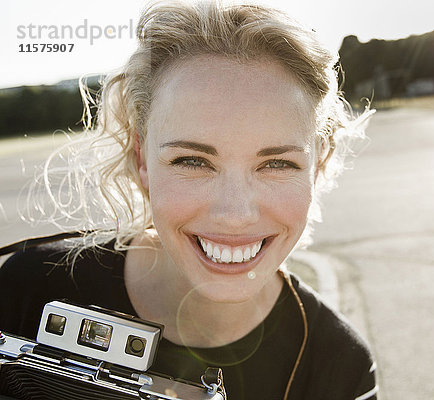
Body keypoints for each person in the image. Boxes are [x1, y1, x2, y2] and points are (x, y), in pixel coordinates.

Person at [0, 1, 377, 399]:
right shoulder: (25, 289)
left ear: (319, 165)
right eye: (193, 161)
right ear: (142, 160)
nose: (235, 215)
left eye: (278, 164)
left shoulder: (339, 367)